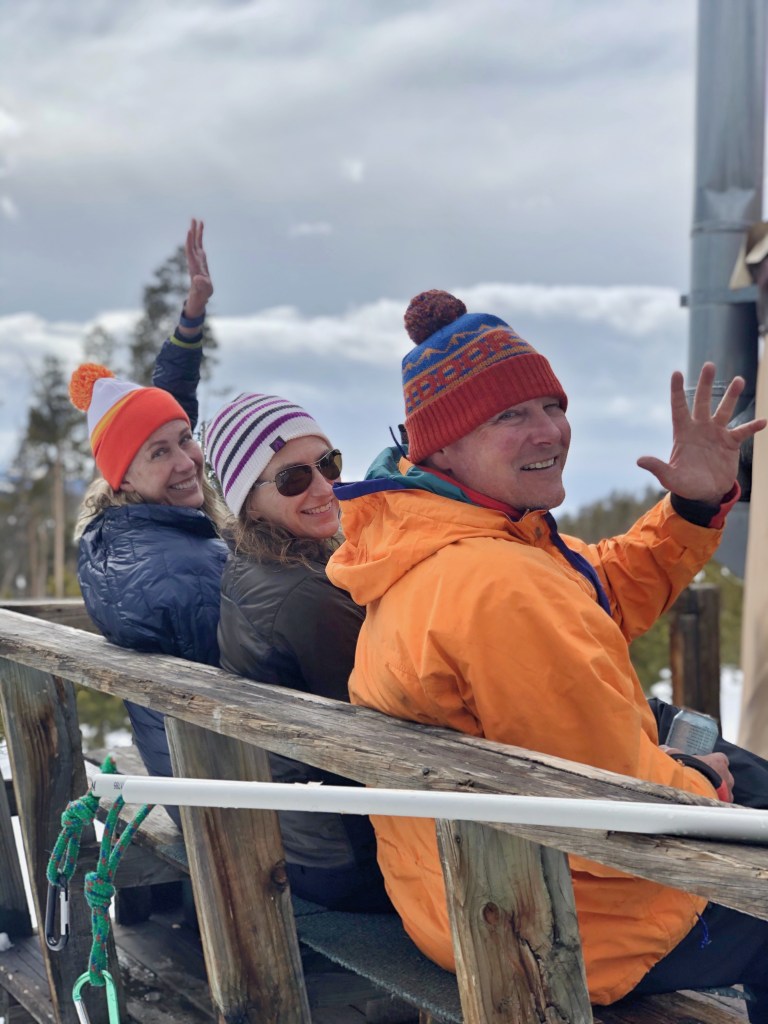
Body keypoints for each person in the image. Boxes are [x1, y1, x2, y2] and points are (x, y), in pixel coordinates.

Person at [325, 289, 768, 1017]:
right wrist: (702, 781)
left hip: (454, 888)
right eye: (509, 416)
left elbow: (591, 593)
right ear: (441, 446)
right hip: (553, 917)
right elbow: (615, 804)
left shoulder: (445, 538)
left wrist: (690, 508)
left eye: (551, 406)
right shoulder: (496, 582)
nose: (549, 432)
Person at [205, 394, 392, 911]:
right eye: (293, 479)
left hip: (308, 837)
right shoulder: (304, 595)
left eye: (329, 463)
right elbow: (391, 714)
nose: (325, 487)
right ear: (248, 501)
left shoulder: (260, 562)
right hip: (350, 856)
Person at [72, 220, 227, 811]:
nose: (187, 461)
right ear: (125, 477)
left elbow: (164, 410)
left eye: (186, 440)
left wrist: (191, 318)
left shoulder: (124, 527)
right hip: (232, 803)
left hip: (188, 774)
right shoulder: (185, 571)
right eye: (160, 453)